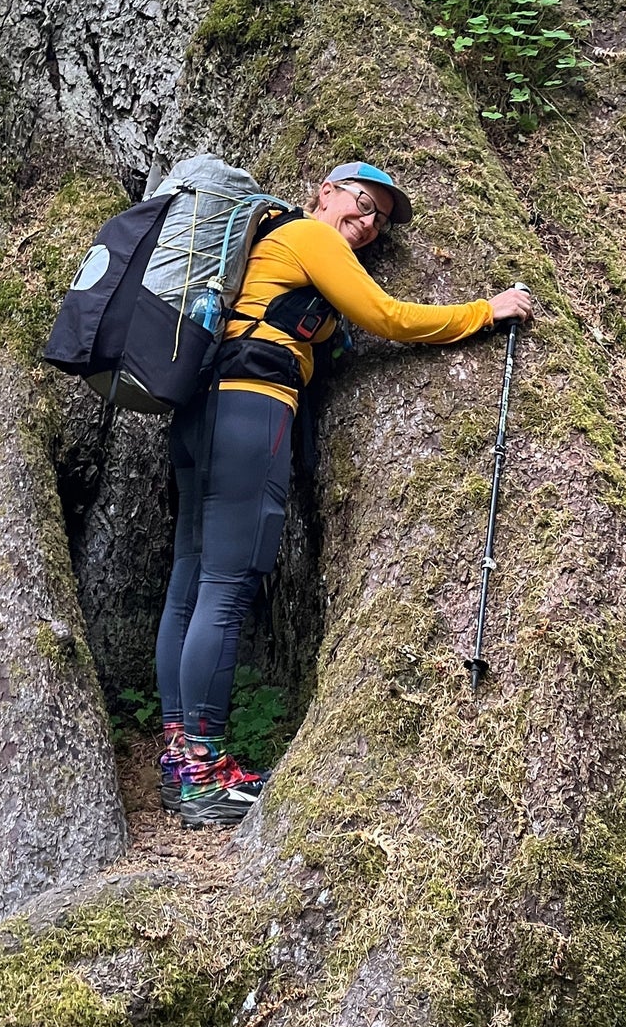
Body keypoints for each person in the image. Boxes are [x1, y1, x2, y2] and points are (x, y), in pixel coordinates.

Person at [155, 159, 534, 827]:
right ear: (325, 193)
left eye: (379, 222)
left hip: (203, 410)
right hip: (252, 408)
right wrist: (486, 310)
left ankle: (182, 764)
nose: (365, 225)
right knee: (229, 581)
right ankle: (205, 777)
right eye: (361, 204)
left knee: (192, 578)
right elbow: (387, 316)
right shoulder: (309, 235)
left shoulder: (278, 248)